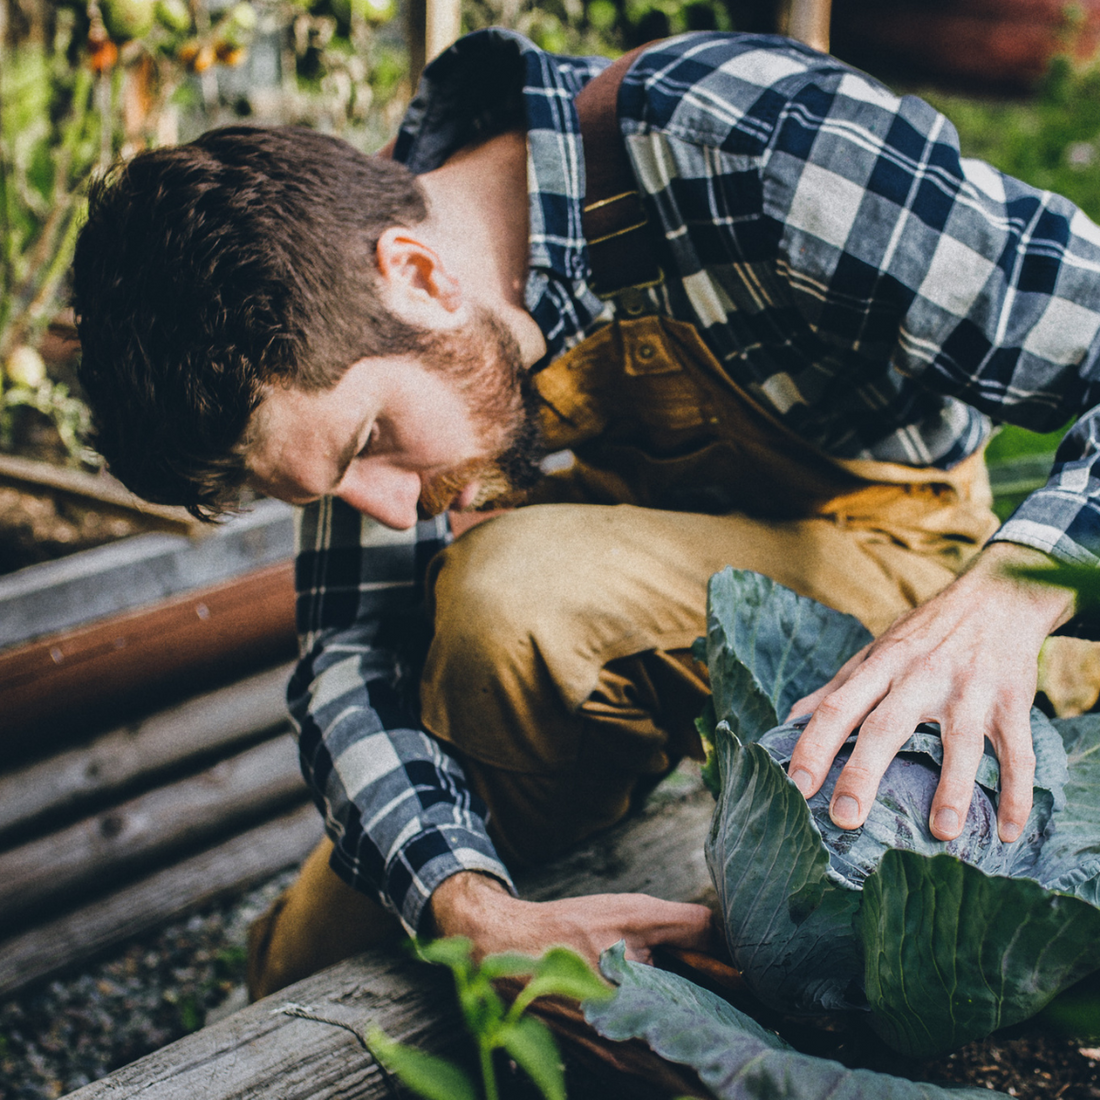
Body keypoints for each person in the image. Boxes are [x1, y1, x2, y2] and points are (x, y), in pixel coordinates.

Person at [72, 28, 1099, 999]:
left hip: (899, 561)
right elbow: (346, 653)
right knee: (309, 958)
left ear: (419, 276)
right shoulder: (326, 286)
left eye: (366, 445)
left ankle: (1046, 679)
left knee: (504, 590)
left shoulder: (765, 146)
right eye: (327, 487)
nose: (384, 510)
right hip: (641, 596)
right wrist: (464, 905)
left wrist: (1011, 593)